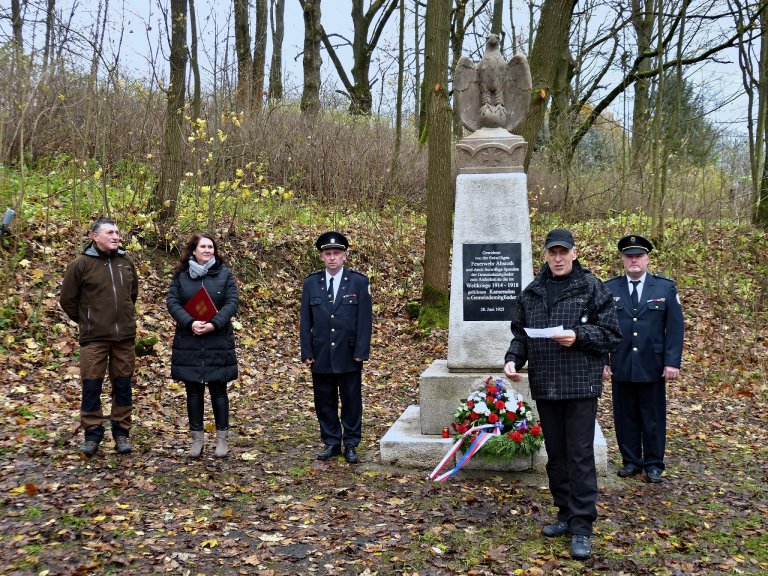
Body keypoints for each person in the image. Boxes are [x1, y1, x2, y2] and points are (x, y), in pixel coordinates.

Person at [503, 228, 622, 560]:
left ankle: (583, 525)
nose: (557, 258)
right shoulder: (532, 292)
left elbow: (612, 334)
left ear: (574, 253)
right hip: (546, 384)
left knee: (580, 455)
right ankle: (565, 514)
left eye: (562, 252)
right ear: (545, 255)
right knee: (556, 455)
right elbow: (520, 334)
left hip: (580, 385)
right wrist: (513, 359)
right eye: (551, 253)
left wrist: (578, 335)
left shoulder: (592, 287)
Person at [603, 234, 684, 484]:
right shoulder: (609, 288)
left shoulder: (664, 287)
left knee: (653, 415)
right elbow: (603, 327)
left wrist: (672, 362)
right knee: (624, 414)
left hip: (653, 364)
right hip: (621, 362)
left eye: (638, 256)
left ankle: (653, 463)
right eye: (629, 256)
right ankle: (631, 461)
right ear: (623, 260)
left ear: (647, 258)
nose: (634, 260)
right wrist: (604, 361)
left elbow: (675, 328)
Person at [60, 217, 138, 457]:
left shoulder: (126, 262)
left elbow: (132, 295)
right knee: (91, 387)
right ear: (94, 236)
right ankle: (92, 434)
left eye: (117, 232)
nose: (115, 236)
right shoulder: (80, 264)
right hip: (94, 339)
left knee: (123, 386)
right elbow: (67, 301)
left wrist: (122, 319)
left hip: (123, 338)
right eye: (109, 232)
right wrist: (88, 322)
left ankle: (121, 433)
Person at [300, 231, 372, 464]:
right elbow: (305, 321)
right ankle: (331, 441)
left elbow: (364, 320)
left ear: (345, 256)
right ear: (322, 256)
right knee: (324, 399)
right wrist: (307, 351)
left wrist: (361, 351)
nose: (332, 258)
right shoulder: (311, 283)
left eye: (336, 253)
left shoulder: (359, 282)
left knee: (351, 399)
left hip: (349, 352)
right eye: (328, 254)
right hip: (321, 353)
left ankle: (351, 443)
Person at [166, 232, 239, 458]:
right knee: (193, 392)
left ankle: (222, 440)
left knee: (219, 390)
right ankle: (197, 441)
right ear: (193, 250)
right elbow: (172, 301)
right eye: (203, 247)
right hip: (190, 339)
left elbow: (232, 301)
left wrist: (215, 324)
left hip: (217, 339)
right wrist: (190, 322)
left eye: (211, 247)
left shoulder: (224, 273)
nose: (208, 250)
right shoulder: (181, 275)